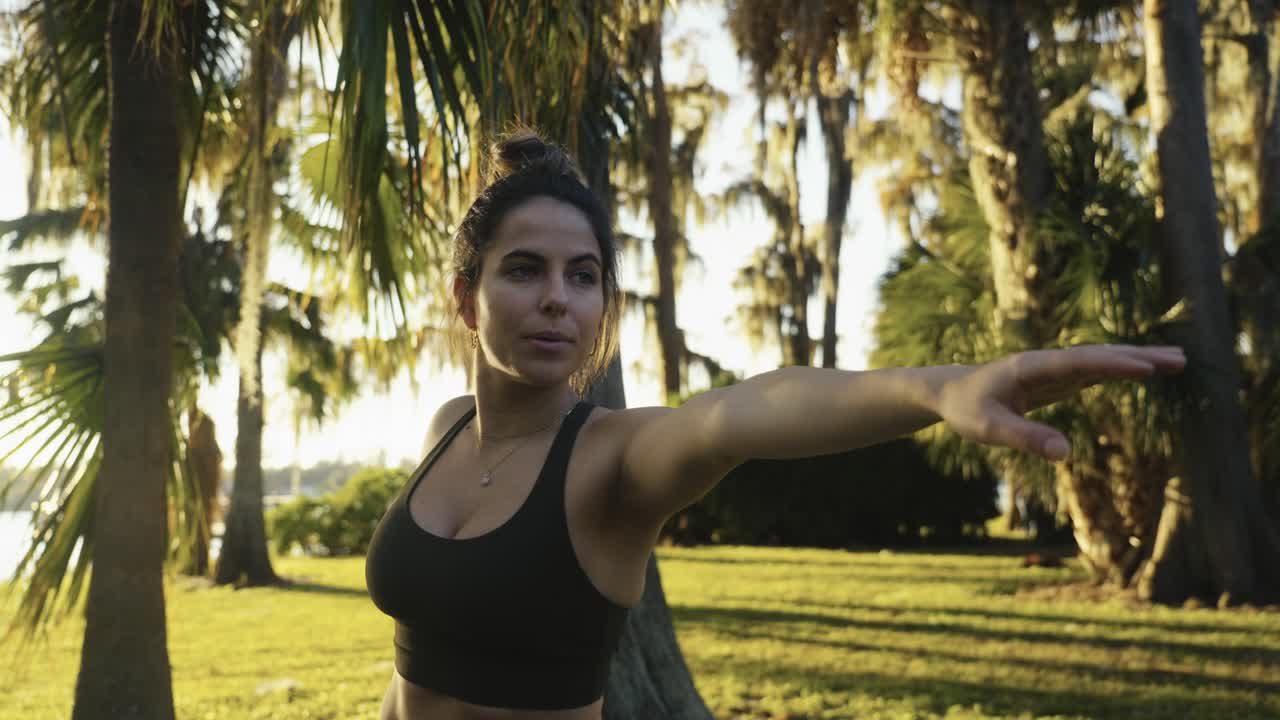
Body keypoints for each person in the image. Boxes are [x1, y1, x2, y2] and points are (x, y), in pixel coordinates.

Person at [364, 129, 1187, 720]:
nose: (557, 297)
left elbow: (740, 415)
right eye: (524, 269)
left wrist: (936, 391)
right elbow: (422, 653)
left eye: (583, 277)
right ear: (465, 298)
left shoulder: (613, 460)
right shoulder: (447, 425)